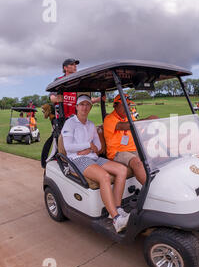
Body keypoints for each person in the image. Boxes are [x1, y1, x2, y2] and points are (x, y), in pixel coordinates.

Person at [61, 95, 130, 233]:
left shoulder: (91, 125)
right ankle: (116, 220)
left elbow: (98, 147)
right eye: (82, 104)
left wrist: (89, 148)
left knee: (122, 170)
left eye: (87, 104)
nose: (85, 107)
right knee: (104, 176)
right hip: (77, 159)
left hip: (92, 157)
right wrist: (88, 145)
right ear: (76, 107)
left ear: (90, 107)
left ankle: (116, 209)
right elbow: (68, 147)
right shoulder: (70, 123)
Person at [103, 94, 157, 185]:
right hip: (117, 152)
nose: (127, 107)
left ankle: (158, 183)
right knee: (137, 162)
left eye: (128, 105)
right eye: (124, 105)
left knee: (152, 157)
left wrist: (152, 131)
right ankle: (152, 191)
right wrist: (146, 120)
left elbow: (139, 132)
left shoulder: (129, 117)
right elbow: (125, 126)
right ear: (115, 106)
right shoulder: (109, 119)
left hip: (133, 149)